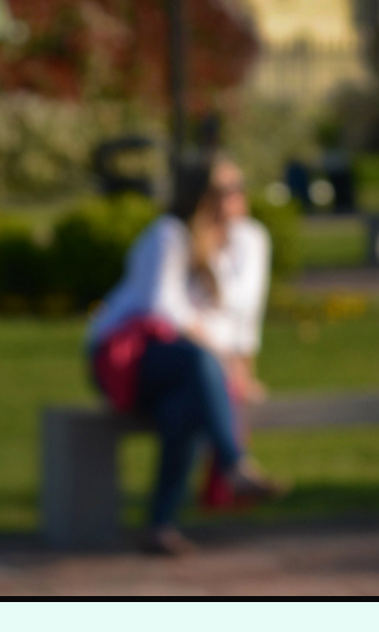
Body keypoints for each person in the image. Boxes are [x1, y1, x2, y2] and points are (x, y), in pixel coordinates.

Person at [86, 152, 284, 555]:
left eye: (239, 185)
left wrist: (243, 370)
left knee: (186, 407)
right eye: (224, 189)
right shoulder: (169, 235)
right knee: (198, 363)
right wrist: (224, 360)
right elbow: (165, 314)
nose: (237, 196)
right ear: (200, 194)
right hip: (130, 356)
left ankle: (160, 525)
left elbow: (247, 319)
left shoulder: (252, 240)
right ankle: (235, 464)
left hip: (196, 366)